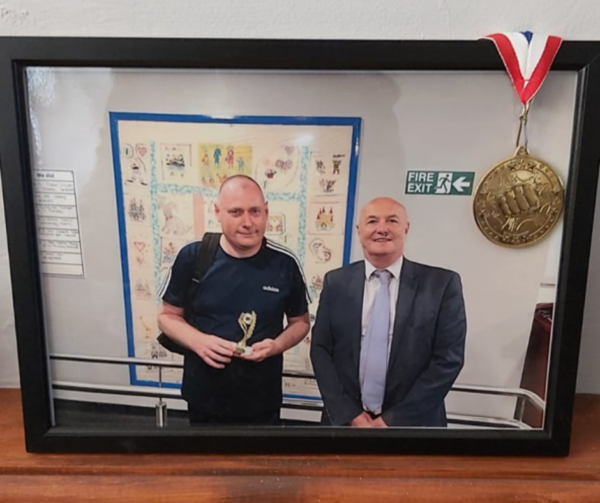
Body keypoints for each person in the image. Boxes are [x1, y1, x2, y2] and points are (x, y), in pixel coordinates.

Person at [157, 175, 310, 425]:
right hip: (204, 397)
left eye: (255, 211)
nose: (247, 222)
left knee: (260, 464)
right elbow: (167, 316)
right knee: (207, 463)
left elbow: (301, 323)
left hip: (262, 399)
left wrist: (276, 345)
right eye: (236, 212)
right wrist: (199, 342)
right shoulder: (193, 257)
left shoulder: (285, 263)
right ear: (217, 212)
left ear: (266, 211)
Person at [310, 197, 466, 428]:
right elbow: (321, 349)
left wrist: (392, 420)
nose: (381, 229)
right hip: (345, 424)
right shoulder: (337, 283)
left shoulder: (441, 285)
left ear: (406, 228)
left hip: (413, 426)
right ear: (359, 230)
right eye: (372, 221)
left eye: (391, 220)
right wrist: (350, 414)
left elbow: (448, 360)